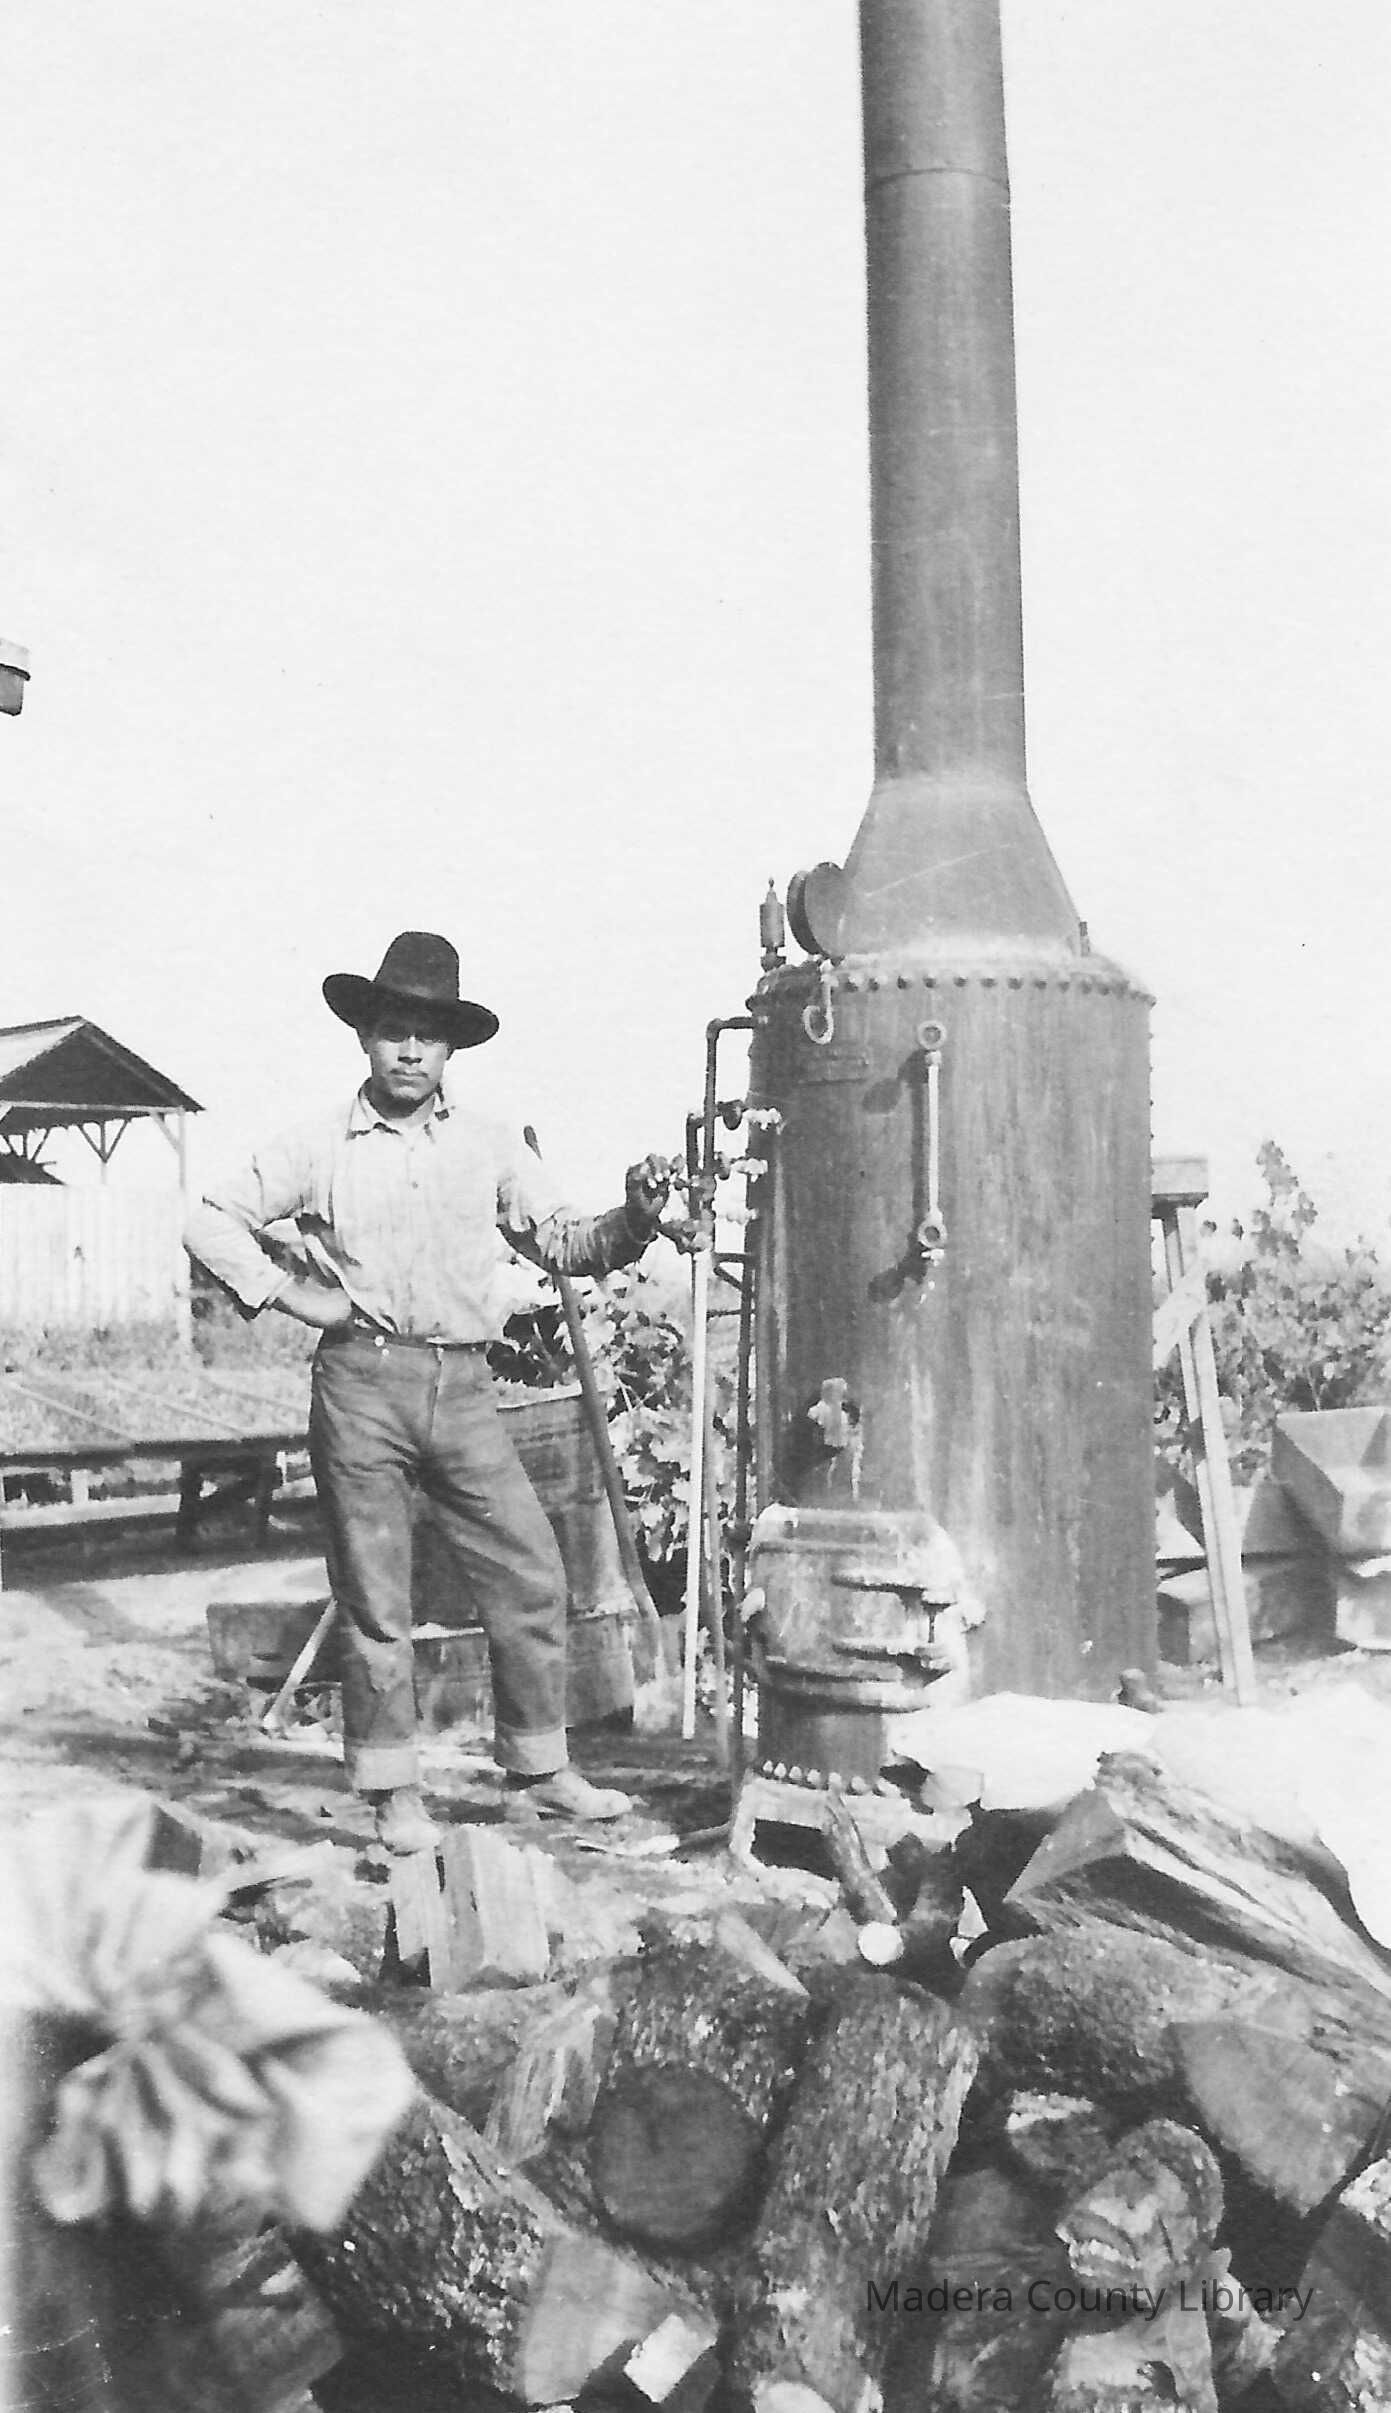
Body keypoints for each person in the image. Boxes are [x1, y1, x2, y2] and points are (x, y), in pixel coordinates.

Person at [184, 930, 672, 1853]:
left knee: (531, 1572)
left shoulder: (487, 1145)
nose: (409, 1050)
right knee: (376, 1597)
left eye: (428, 1034)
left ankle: (538, 1769)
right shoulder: (317, 1144)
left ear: (451, 1048)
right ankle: (391, 1791)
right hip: (361, 1385)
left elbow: (565, 1240)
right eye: (392, 1031)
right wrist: (293, 1294)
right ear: (364, 1037)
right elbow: (211, 1219)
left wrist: (634, 1217)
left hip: (464, 1387)